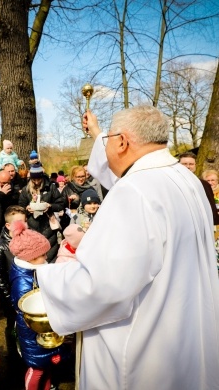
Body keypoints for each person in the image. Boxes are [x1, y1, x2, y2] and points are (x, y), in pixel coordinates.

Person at [36, 105, 219, 390]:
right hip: (185, 331)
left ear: (122, 142)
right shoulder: (186, 180)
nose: (104, 145)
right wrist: (98, 131)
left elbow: (102, 286)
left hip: (146, 350)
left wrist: (46, 278)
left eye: (107, 139)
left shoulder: (133, 192)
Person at [9, 220, 70, 390]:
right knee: (37, 369)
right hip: (33, 332)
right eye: (42, 255)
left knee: (47, 365)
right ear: (30, 257)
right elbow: (28, 311)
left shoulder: (38, 269)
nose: (46, 257)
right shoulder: (23, 281)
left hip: (46, 328)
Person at [0, 205, 27, 358]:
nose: (24, 226)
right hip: (11, 297)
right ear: (8, 226)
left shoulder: (28, 239)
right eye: (19, 222)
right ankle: (13, 354)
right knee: (13, 325)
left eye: (25, 221)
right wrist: (9, 298)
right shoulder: (1, 247)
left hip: (27, 293)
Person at [18, 164, 64, 263]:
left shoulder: (50, 187)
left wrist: (50, 206)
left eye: (39, 179)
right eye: (34, 179)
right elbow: (20, 208)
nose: (37, 182)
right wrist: (27, 209)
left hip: (48, 226)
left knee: (50, 255)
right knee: (36, 257)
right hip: (32, 227)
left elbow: (61, 203)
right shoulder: (26, 190)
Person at [179, 152, 219, 225]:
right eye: (184, 164)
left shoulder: (204, 184)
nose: (188, 166)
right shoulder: (171, 183)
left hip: (201, 224)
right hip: (181, 223)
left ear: (195, 165)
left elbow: (211, 207)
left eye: (191, 164)